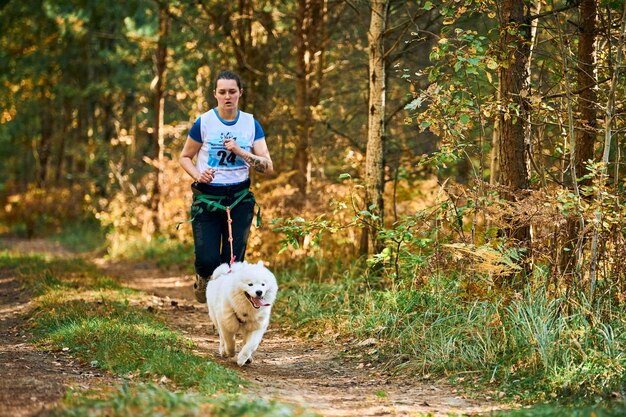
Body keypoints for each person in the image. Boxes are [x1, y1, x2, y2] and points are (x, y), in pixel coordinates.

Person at [179, 70, 273, 303]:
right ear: (215, 94)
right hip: (208, 199)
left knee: (232, 262)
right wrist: (199, 175)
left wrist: (240, 151)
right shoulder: (204, 122)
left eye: (232, 91)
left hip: (239, 199)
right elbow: (184, 157)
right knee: (208, 260)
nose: (227, 96)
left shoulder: (250, 124)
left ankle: (225, 308)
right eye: (222, 92)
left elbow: (267, 165)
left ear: (240, 93)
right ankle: (203, 277)